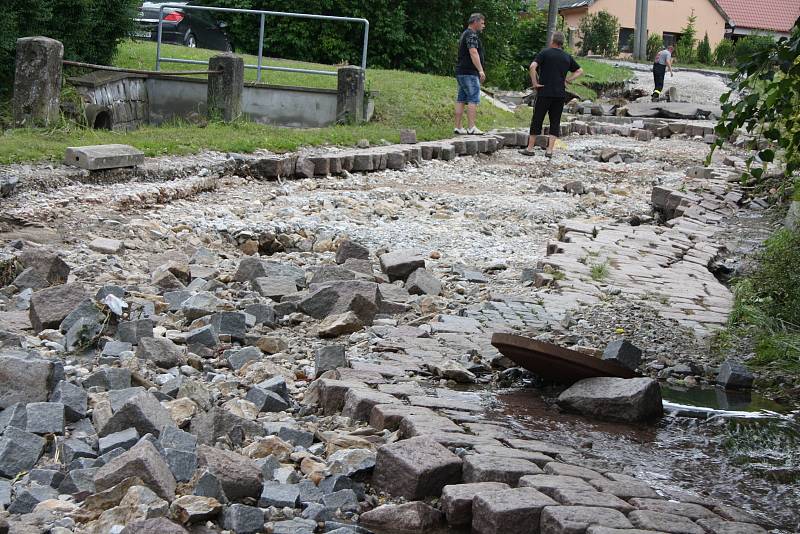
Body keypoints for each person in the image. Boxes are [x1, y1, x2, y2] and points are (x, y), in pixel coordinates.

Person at [520, 31, 582, 158]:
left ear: (552, 41)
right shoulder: (566, 56)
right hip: (560, 94)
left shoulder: (545, 53)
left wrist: (535, 83)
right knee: (555, 121)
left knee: (537, 119)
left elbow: (532, 67)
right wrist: (568, 79)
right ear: (562, 43)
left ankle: (530, 148)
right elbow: (580, 70)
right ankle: (549, 151)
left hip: (544, 92)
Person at [454, 13, 486, 135]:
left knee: (461, 99)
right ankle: (471, 127)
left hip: (461, 71)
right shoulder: (471, 35)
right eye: (482, 23)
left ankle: (458, 127)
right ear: (475, 22)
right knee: (473, 98)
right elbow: (473, 52)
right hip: (469, 72)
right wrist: (480, 70)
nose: (484, 25)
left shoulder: (465, 34)